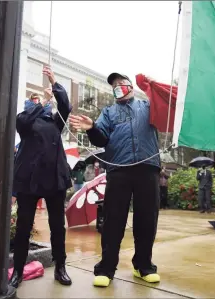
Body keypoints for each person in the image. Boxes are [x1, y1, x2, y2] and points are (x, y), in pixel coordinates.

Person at [69, 72, 161, 288]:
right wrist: (91, 127)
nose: (117, 86)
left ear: (129, 85)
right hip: (119, 169)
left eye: (121, 83)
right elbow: (101, 138)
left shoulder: (147, 107)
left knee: (147, 219)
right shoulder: (108, 112)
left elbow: (168, 113)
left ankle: (143, 266)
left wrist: (152, 87)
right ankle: (106, 269)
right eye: (114, 85)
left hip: (148, 168)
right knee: (113, 220)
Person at [9, 66, 72, 288]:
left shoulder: (55, 122)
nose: (39, 101)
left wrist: (55, 83)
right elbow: (24, 121)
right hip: (29, 181)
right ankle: (17, 270)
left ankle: (61, 267)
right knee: (23, 227)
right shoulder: (23, 120)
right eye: (34, 100)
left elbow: (66, 106)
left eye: (41, 100)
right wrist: (43, 101)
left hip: (55, 180)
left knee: (57, 226)